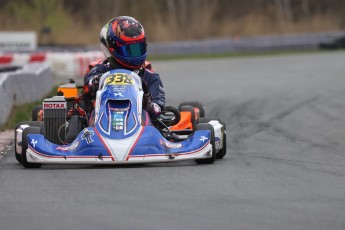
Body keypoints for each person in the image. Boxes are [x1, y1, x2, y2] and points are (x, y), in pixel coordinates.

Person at [79, 16, 165, 125]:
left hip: (140, 129)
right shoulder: (100, 69)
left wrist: (148, 105)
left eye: (139, 48)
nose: (135, 54)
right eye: (129, 50)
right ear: (114, 48)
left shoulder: (151, 77)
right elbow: (88, 85)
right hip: (100, 125)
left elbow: (157, 110)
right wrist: (96, 83)